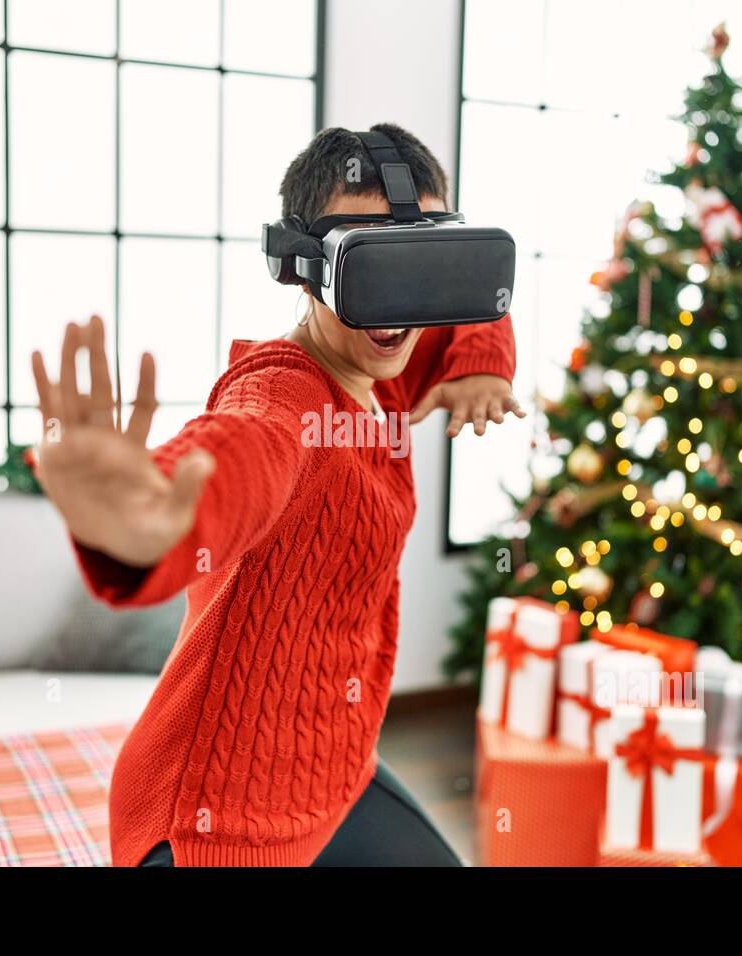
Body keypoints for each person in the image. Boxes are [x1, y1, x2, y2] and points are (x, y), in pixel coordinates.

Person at [30, 123, 522, 866]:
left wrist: (486, 361)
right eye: (369, 268)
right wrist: (157, 518)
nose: (397, 307)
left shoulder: (388, 379)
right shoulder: (288, 393)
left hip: (335, 770)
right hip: (216, 815)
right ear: (304, 269)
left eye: (417, 264)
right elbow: (244, 448)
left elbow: (478, 303)